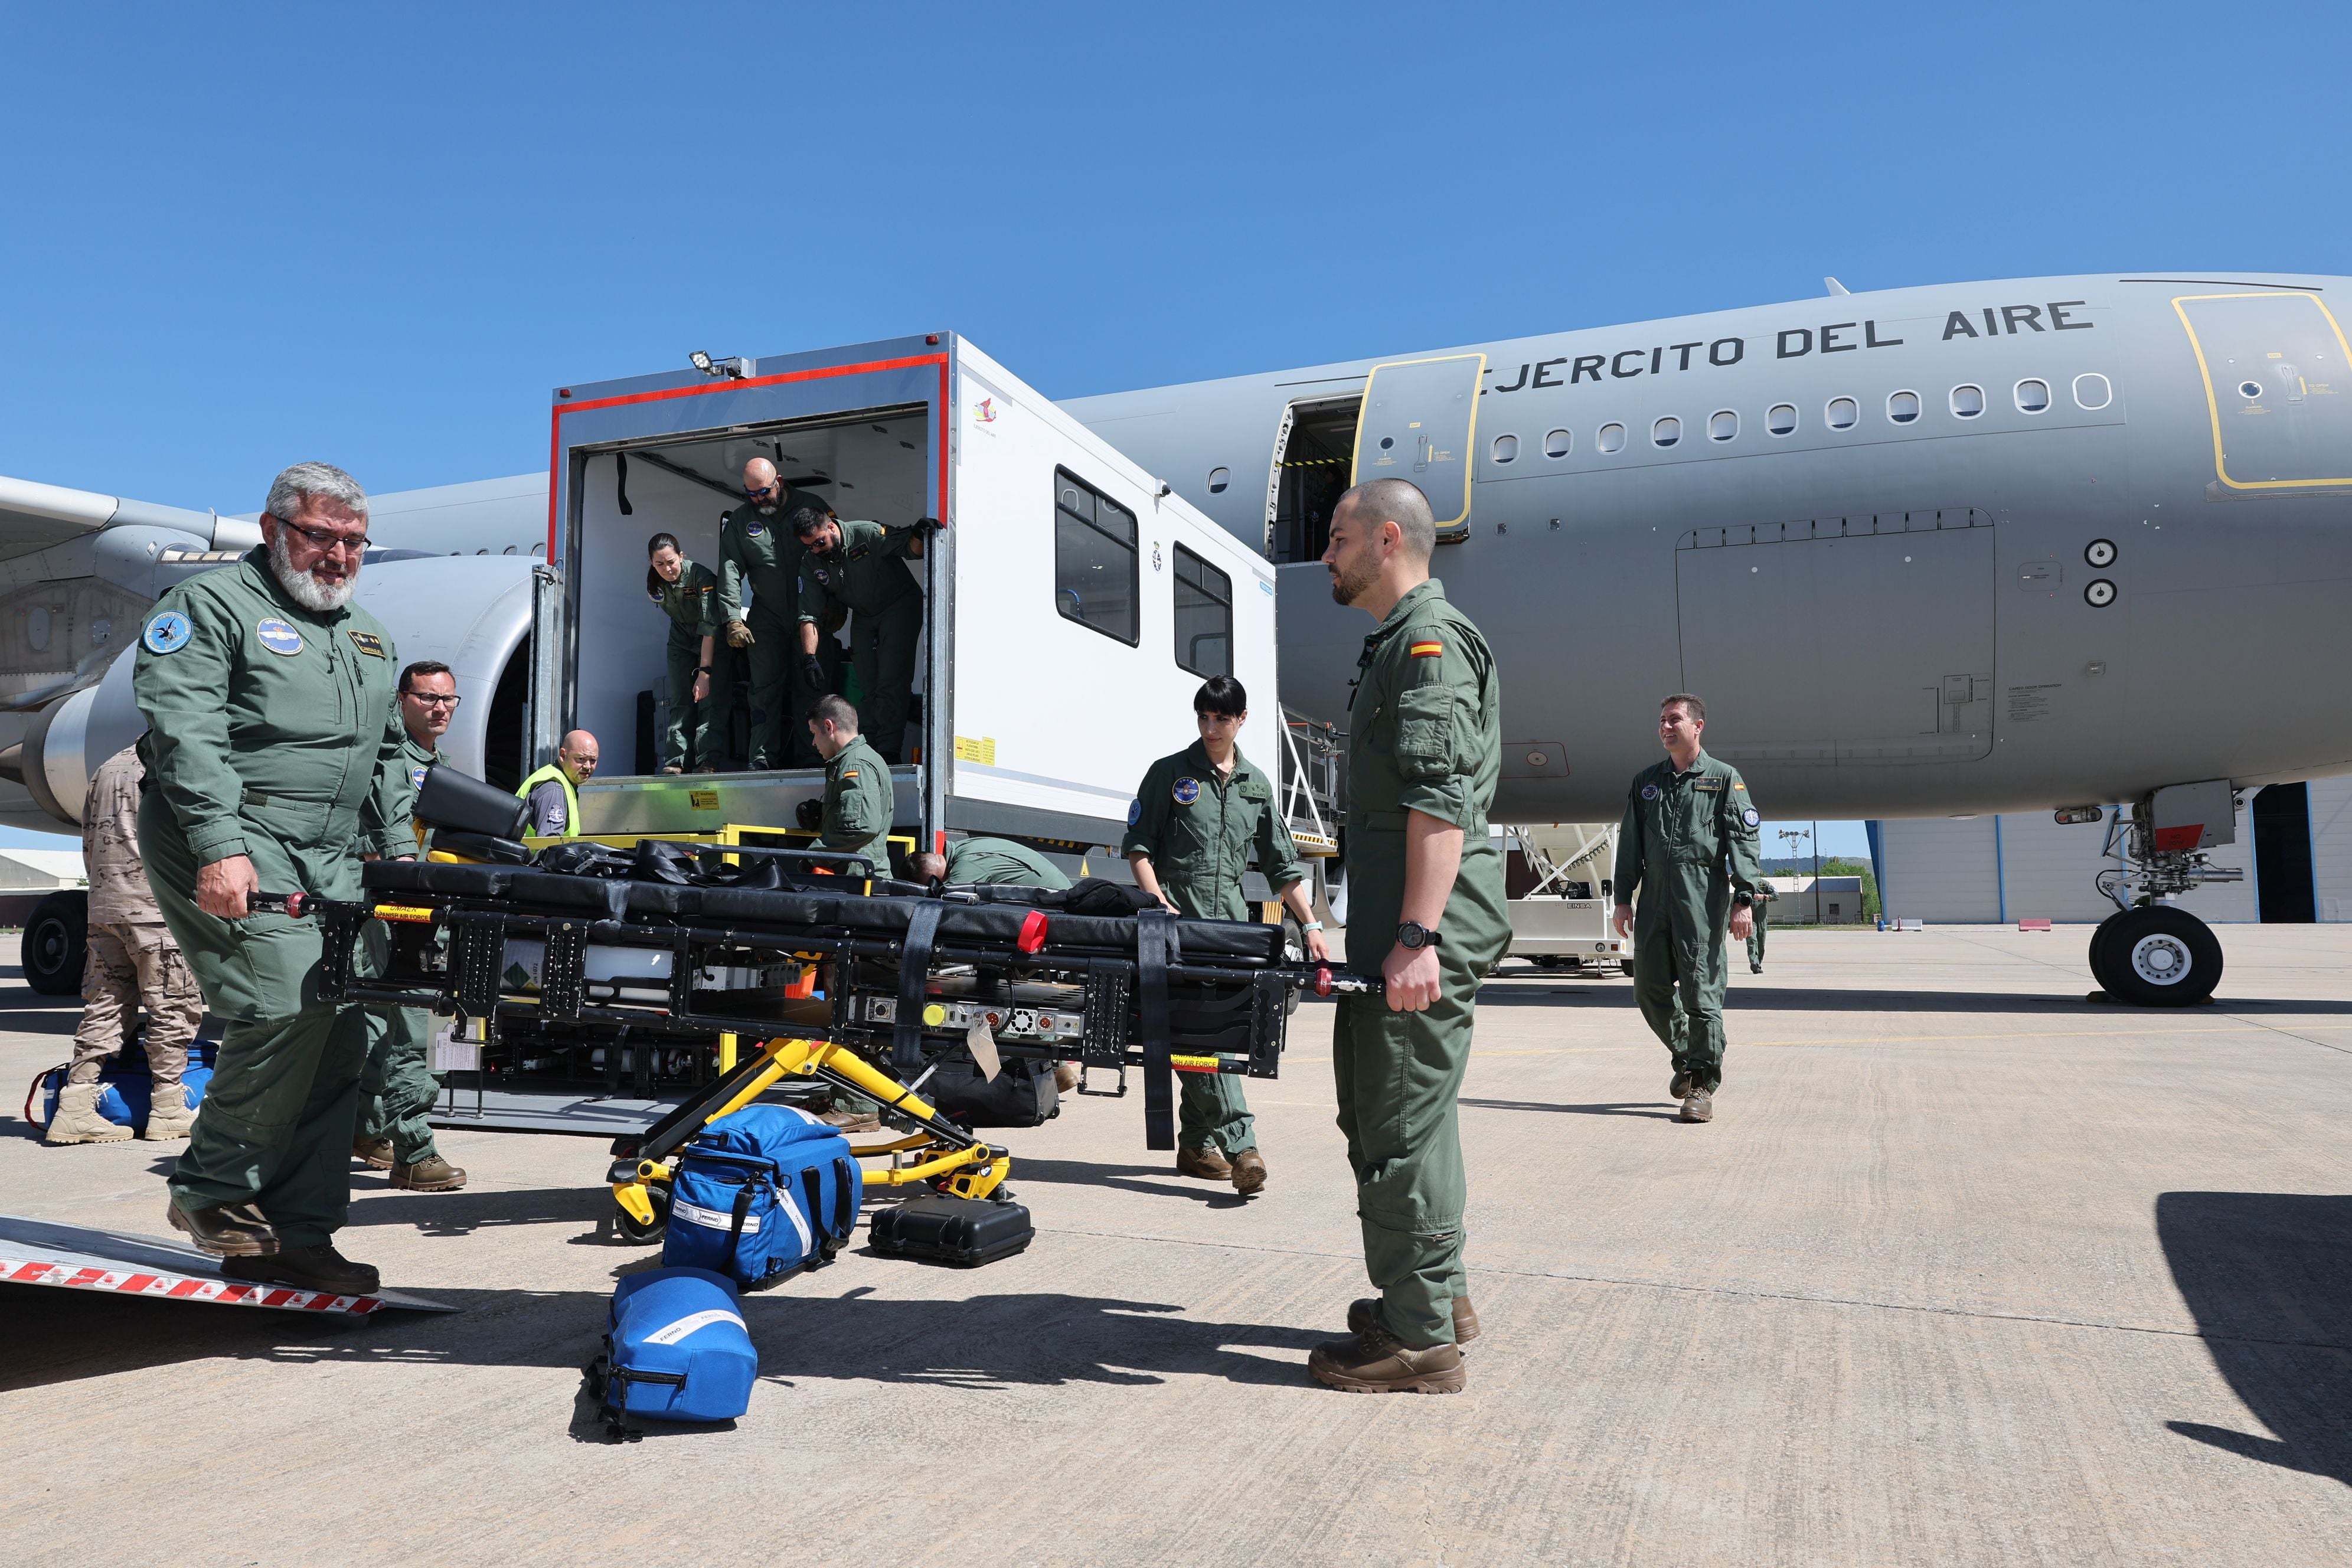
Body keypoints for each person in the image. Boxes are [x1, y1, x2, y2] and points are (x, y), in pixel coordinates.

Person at [133, 460, 409, 1296]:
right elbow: (186, 729)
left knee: (345, 1026)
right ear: (272, 529)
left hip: (333, 855)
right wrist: (219, 845)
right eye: (320, 536)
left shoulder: (367, 635)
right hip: (227, 835)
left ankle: (298, 1231)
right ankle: (211, 1189)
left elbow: (387, 755)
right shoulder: (209, 608)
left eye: (352, 542)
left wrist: (396, 855)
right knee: (284, 998)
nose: (337, 556)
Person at [1306, 478, 1508, 1396]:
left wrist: (1418, 935)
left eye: (1340, 539)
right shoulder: (1398, 643)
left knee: (1395, 1121)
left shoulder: (1428, 644)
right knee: (1404, 1118)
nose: (1327, 556)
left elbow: (1441, 800)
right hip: (1399, 930)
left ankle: (1419, 1340)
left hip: (1417, 933)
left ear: (1388, 540)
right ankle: (1439, 1294)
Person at [1121, 675, 1328, 1197]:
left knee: (1218, 1036)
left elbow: (1283, 867)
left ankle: (1194, 1145)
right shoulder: (1169, 774)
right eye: (1204, 718)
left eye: (1222, 719)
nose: (1211, 728)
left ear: (1241, 720)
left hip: (1232, 928)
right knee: (1195, 1034)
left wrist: (1311, 926)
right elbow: (1140, 849)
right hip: (1176, 926)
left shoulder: (1256, 786)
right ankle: (1243, 1147)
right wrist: (1158, 902)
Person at [1611, 694, 1765, 1125]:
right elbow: (1630, 847)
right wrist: (1624, 899)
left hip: (1701, 899)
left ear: (1697, 727)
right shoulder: (1646, 782)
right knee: (1648, 990)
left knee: (1701, 995)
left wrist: (1744, 899)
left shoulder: (1723, 779)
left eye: (1674, 719)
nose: (1665, 726)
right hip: (1655, 900)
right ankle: (1689, 1054)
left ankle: (1700, 1084)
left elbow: (1744, 844)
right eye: (1661, 720)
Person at [44, 743, 205, 1146]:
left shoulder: (108, 765)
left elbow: (87, 837)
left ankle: (76, 1104)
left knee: (106, 1003)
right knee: (172, 1005)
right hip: (156, 906)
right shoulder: (176, 758)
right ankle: (169, 1106)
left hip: (105, 905)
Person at [352, 661, 467, 1193]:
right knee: (419, 1027)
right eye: (427, 698)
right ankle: (414, 1151)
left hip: (411, 904)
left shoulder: (434, 760)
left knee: (383, 1022)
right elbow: (395, 831)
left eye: (448, 699)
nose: (440, 707)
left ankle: (366, 1128)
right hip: (401, 908)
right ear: (402, 700)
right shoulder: (394, 760)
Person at [913, 837, 1081, 1091]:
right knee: (992, 980)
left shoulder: (964, 870)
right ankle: (1053, 1069)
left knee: (1001, 991)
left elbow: (950, 914)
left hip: (1051, 919)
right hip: (1045, 911)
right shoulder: (965, 848)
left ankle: (1013, 1075)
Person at [716, 459, 837, 769]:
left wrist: (837, 605)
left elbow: (835, 554)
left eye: (764, 492)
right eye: (751, 494)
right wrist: (732, 618)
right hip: (767, 616)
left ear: (779, 481)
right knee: (763, 689)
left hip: (809, 614)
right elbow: (730, 568)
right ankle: (761, 758)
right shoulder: (742, 520)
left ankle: (812, 757)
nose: (759, 499)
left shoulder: (812, 506)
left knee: (811, 687)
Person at [794, 509, 933, 764]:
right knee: (867, 684)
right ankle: (869, 749)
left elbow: (912, 549)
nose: (816, 550)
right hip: (864, 614)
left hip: (898, 605)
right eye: (809, 546)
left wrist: (918, 533)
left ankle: (889, 751)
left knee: (890, 680)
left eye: (819, 543)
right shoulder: (811, 561)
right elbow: (808, 615)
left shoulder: (866, 533)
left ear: (832, 529)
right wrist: (809, 657)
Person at [647, 533, 719, 773]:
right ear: (651, 563)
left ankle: (707, 760)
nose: (667, 569)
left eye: (671, 562)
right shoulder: (656, 583)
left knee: (708, 699)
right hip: (680, 640)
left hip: (709, 639)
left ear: (681, 556)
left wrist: (705, 671)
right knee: (680, 699)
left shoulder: (701, 576)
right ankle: (676, 761)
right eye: (659, 564)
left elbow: (710, 626)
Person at [806, 694, 894, 876]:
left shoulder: (855, 764)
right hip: (859, 876)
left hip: (858, 880)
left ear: (829, 727)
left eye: (814, 733)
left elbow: (862, 827)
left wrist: (815, 856)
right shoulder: (858, 759)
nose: (813, 742)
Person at [515, 730, 597, 838]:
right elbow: (549, 845)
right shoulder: (554, 789)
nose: (587, 766)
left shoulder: (559, 779)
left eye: (593, 760)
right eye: (581, 759)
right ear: (563, 755)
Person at [912, 837, 1072, 891]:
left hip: (1056, 898)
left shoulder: (967, 865)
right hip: (1053, 891)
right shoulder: (963, 847)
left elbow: (945, 899)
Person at [1747, 883, 1772, 974]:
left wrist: (1764, 896)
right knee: (1752, 940)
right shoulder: (1746, 884)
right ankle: (1754, 962)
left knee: (1761, 942)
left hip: (1762, 916)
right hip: (1750, 916)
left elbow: (1777, 896)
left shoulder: (1764, 884)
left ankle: (1758, 963)